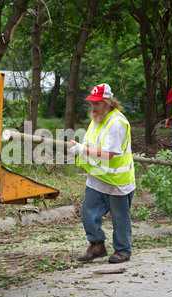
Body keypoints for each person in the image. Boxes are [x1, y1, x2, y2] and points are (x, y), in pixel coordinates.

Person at [68, 84, 135, 264]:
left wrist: (82, 150)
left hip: (116, 181)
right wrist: (80, 149)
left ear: (108, 102)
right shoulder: (97, 119)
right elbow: (91, 144)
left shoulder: (117, 123)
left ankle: (123, 250)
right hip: (97, 178)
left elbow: (109, 154)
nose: (93, 107)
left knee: (120, 219)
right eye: (92, 103)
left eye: (97, 103)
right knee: (88, 213)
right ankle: (97, 245)